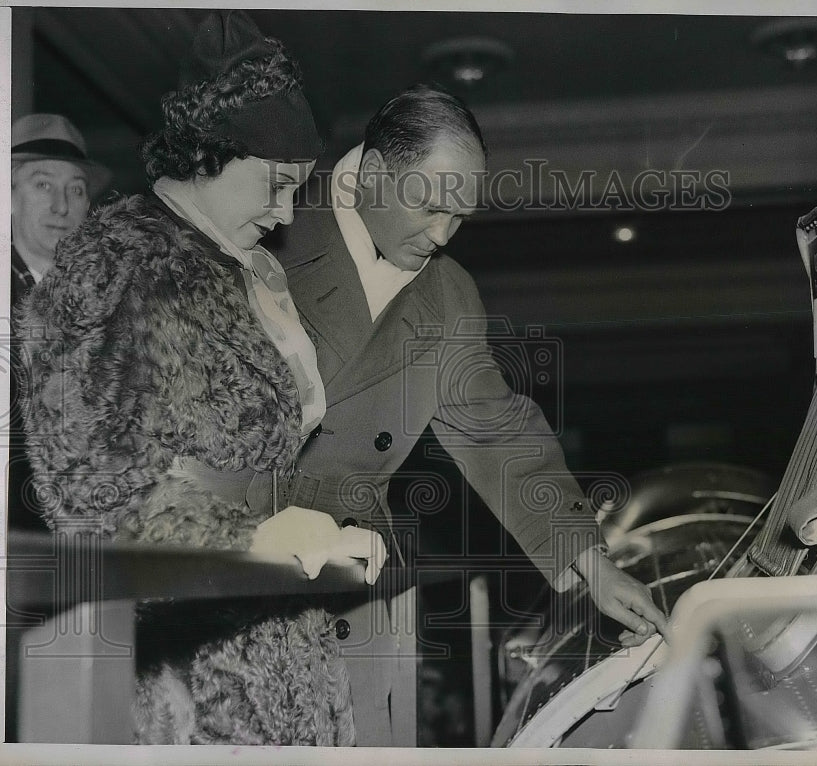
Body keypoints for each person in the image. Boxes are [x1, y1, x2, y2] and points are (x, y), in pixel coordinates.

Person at [17, 11, 384, 745]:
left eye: (298, 188)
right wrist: (255, 535)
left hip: (274, 646)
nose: (286, 214)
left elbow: (257, 461)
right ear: (210, 153)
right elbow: (90, 499)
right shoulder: (118, 262)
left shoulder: (242, 265)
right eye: (275, 185)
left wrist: (322, 530)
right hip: (174, 682)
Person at [274, 85, 670, 743]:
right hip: (242, 575)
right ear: (373, 174)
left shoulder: (449, 295)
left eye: (459, 217)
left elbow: (497, 431)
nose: (441, 235)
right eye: (428, 206)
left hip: (357, 594)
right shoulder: (268, 225)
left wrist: (592, 562)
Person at [8, 113, 111, 532]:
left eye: (76, 189)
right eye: (44, 184)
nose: (61, 206)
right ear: (8, 195)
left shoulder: (104, 300)